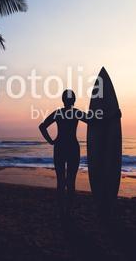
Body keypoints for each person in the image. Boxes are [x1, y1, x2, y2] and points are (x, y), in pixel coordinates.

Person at [38, 89, 90, 217]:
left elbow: (42, 126)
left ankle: (62, 210)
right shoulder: (76, 112)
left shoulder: (58, 113)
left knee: (61, 181)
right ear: (74, 100)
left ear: (63, 100)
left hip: (60, 147)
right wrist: (113, 116)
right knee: (71, 181)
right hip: (72, 147)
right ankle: (69, 210)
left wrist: (51, 141)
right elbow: (93, 121)